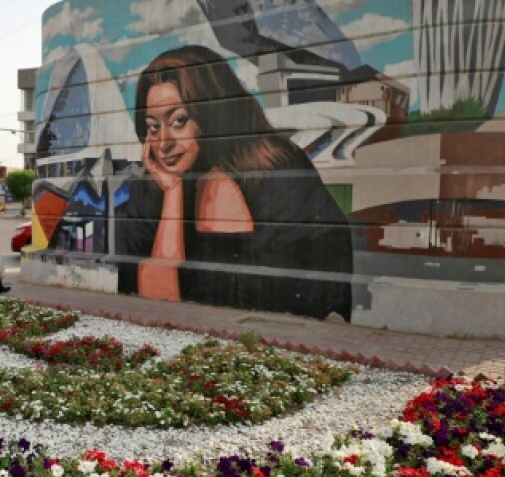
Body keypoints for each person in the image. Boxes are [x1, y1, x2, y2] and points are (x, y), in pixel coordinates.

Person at [115, 45, 352, 320]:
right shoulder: (149, 189)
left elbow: (306, 291)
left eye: (179, 121)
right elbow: (156, 306)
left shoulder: (277, 170)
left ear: (212, 112)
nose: (163, 143)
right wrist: (173, 195)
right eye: (154, 127)